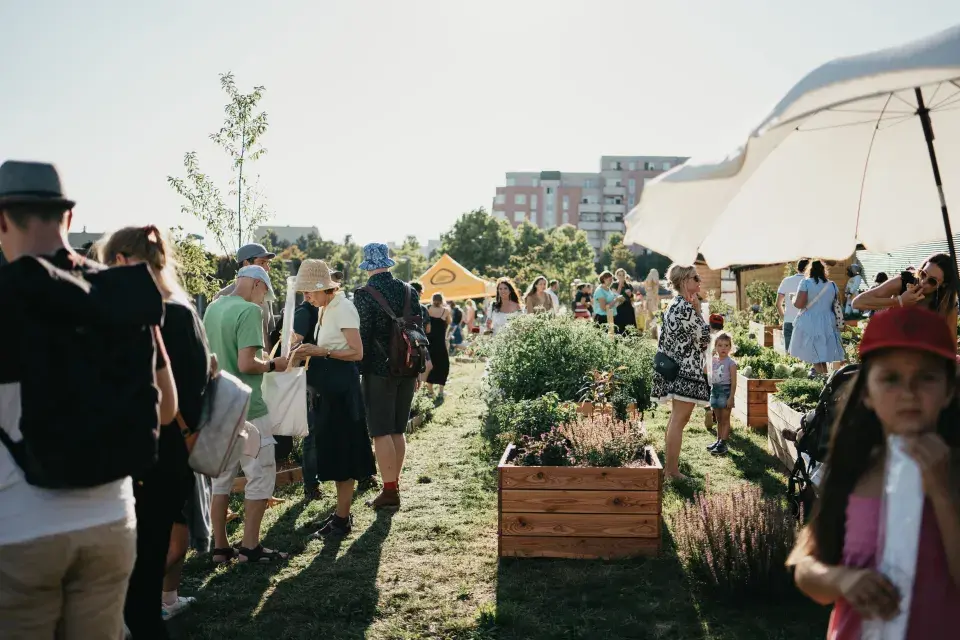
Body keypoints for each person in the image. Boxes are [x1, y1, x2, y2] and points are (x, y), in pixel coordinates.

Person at [0, 160, 177, 638]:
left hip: (18, 529)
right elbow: (166, 408)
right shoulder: (123, 291)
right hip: (110, 521)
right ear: (68, 218)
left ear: (2, 219)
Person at [788, 306, 960, 639]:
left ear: (949, 390)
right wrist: (843, 579)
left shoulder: (953, 473)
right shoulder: (854, 469)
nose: (908, 392)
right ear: (867, 392)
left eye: (926, 377)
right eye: (890, 378)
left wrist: (943, 493)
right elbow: (806, 568)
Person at [100, 226, 212, 635]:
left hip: (142, 455)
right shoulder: (183, 310)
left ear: (120, 261)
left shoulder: (146, 316)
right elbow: (199, 380)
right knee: (147, 568)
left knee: (133, 574)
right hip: (176, 455)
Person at [205, 265, 294, 563]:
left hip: (217, 406)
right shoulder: (249, 311)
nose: (263, 300)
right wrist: (273, 364)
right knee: (261, 474)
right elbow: (246, 364)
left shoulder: (213, 308)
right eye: (265, 293)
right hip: (248, 408)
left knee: (221, 479)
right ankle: (250, 547)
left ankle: (220, 548)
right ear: (257, 284)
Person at [290, 260, 376, 538]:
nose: (306, 297)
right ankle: (341, 514)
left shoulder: (343, 308)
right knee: (335, 452)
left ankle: (342, 519)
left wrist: (322, 352)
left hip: (341, 389)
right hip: (329, 389)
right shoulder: (325, 308)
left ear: (323, 287)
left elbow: (357, 352)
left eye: (309, 291)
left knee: (343, 453)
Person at [354, 243, 427, 510]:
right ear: (387, 263)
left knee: (380, 431)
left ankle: (389, 491)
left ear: (368, 266)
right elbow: (418, 329)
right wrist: (418, 367)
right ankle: (393, 484)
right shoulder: (409, 290)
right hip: (408, 365)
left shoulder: (364, 294)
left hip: (378, 369)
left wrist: (358, 369)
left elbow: (364, 335)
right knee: (397, 428)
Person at [652, 263, 711, 480]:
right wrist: (698, 312)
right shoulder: (686, 308)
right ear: (685, 281)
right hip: (686, 371)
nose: (699, 281)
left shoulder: (675, 304)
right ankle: (672, 471)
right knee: (679, 419)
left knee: (677, 419)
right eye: (695, 278)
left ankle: (670, 468)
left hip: (676, 369)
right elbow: (704, 338)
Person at [852, 252, 958, 342]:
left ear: (944, 284)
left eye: (932, 281)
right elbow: (857, 303)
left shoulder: (947, 303)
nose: (923, 282)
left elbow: (951, 347)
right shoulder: (904, 282)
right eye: (923, 274)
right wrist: (899, 301)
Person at [789, 260, 845, 375]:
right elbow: (837, 303)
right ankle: (825, 377)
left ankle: (823, 379)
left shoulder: (806, 283)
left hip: (810, 321)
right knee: (823, 354)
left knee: (815, 354)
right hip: (828, 321)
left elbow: (799, 304)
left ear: (810, 270)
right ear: (824, 271)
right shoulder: (832, 285)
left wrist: (793, 298)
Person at [706, 332, 737, 456]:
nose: (723, 348)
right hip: (715, 391)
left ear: (730, 347)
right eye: (720, 345)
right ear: (715, 347)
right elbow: (705, 371)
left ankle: (723, 443)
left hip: (725, 391)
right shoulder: (713, 360)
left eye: (726, 345)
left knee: (725, 419)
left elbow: (734, 383)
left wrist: (731, 398)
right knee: (718, 419)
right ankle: (718, 441)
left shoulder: (731, 363)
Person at [777, 258, 810, 352]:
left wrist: (784, 317)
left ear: (797, 268)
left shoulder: (786, 281)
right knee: (805, 354)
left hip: (789, 321)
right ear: (809, 268)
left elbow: (778, 303)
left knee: (790, 354)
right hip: (806, 322)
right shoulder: (810, 282)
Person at [426, 293, 452, 398]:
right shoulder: (446, 311)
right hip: (440, 343)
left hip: (429, 343)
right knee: (443, 365)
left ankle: (430, 391)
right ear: (442, 300)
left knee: (430, 365)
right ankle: (441, 392)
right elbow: (449, 322)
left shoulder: (427, 309)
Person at [614, 269, 637, 334]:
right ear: (616, 276)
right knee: (620, 327)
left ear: (625, 275)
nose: (621, 276)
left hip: (628, 308)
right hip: (619, 308)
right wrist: (620, 285)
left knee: (630, 327)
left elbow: (633, 299)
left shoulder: (629, 285)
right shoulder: (614, 284)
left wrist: (630, 295)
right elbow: (615, 295)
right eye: (620, 275)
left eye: (623, 275)